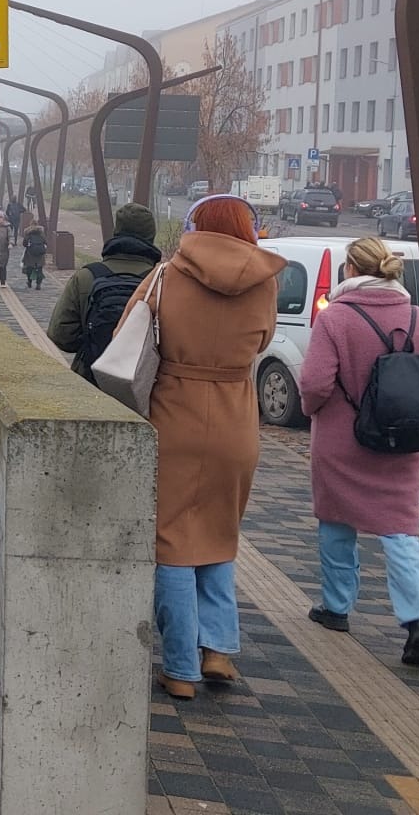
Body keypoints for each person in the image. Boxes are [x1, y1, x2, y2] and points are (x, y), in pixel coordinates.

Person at [125, 195, 284, 700]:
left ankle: (179, 669)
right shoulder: (265, 281)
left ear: (194, 225)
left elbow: (125, 334)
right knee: (220, 533)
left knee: (171, 540)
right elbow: (263, 342)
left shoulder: (165, 275)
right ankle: (217, 651)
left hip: (175, 413)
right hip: (236, 420)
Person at [297, 237, 419, 666]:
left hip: (342, 441)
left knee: (336, 521)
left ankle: (336, 607)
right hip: (402, 444)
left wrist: (314, 412)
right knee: (402, 530)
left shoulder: (337, 318)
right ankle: (418, 620)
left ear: (350, 269)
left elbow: (315, 383)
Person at [48, 202, 161, 380]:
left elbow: (60, 334)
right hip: (145, 386)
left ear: (116, 231)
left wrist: (93, 341)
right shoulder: (161, 282)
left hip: (91, 380)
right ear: (151, 236)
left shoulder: (86, 277)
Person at [21, 220, 49, 289]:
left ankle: (29, 282)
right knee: (39, 269)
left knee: (29, 269)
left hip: (30, 254)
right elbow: (45, 242)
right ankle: (38, 284)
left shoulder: (27, 232)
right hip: (40, 254)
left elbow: (24, 244)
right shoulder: (41, 233)